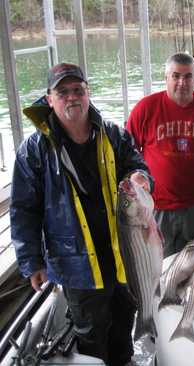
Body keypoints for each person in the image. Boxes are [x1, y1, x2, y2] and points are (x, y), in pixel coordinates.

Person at [11, 63, 152, 366]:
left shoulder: (113, 134)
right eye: (63, 92)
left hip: (122, 254)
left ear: (88, 94)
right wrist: (31, 261)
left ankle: (124, 360)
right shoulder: (33, 150)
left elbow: (137, 164)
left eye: (78, 90)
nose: (72, 97)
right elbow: (24, 210)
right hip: (76, 263)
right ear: (49, 99)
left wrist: (141, 177)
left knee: (124, 319)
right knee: (90, 331)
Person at [126, 52, 194, 256]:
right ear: (166, 78)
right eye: (176, 76)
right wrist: (133, 184)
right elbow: (127, 155)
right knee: (158, 264)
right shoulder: (145, 108)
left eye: (188, 76)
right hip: (154, 206)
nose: (182, 82)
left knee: (192, 266)